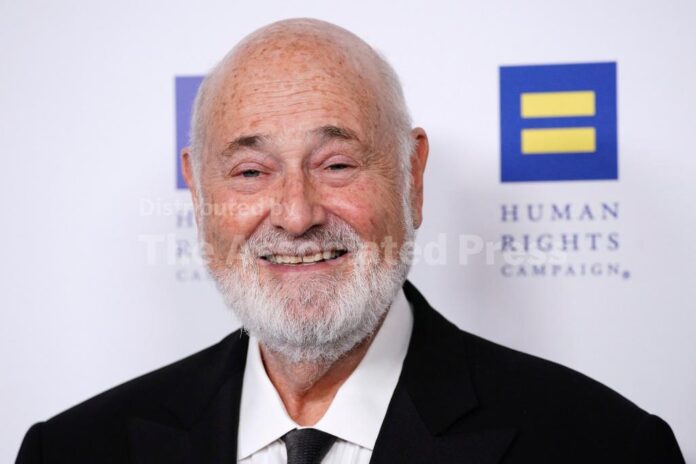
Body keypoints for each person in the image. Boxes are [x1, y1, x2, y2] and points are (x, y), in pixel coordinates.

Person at [16, 18, 684, 464]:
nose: (296, 214)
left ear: (412, 176)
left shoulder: (606, 446)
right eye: (250, 172)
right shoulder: (72, 451)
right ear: (197, 191)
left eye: (336, 165)